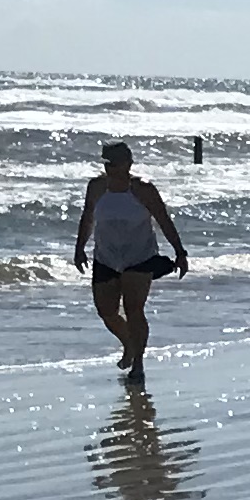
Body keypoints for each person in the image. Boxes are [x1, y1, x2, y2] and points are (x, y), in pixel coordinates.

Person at [72, 139, 185, 374]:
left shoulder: (143, 189)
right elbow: (88, 217)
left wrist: (179, 252)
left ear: (128, 163)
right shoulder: (96, 187)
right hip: (106, 257)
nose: (109, 167)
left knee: (134, 309)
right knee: (106, 311)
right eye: (106, 162)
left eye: (114, 163)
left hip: (139, 256)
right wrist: (79, 248)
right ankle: (129, 345)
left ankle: (138, 364)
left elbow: (164, 220)